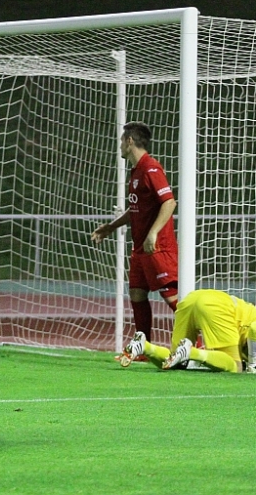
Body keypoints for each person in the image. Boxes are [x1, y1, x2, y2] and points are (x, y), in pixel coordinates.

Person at [90, 122, 178, 356]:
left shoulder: (151, 168)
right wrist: (111, 227)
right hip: (140, 249)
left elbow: (169, 202)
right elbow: (137, 208)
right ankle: (143, 349)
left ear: (130, 141)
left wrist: (153, 232)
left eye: (122, 140)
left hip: (157, 247)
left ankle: (197, 345)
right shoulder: (136, 171)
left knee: (172, 297)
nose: (120, 145)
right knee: (137, 293)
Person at [121, 288, 256, 372]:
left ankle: (143, 346)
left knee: (175, 362)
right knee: (235, 367)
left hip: (192, 299)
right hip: (218, 306)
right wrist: (252, 363)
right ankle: (191, 351)